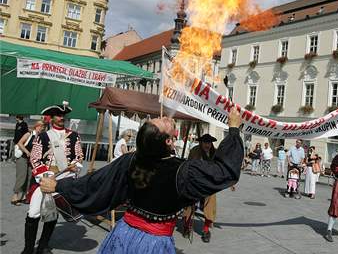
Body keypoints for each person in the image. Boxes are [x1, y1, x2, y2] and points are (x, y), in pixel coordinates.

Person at [39, 107, 244, 253]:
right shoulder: (183, 171)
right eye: (162, 122)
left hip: (123, 234)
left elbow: (93, 183)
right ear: (169, 141)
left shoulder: (131, 160)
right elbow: (224, 171)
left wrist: (59, 185)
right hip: (152, 245)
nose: (164, 117)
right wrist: (233, 130)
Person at [22, 103, 83, 254]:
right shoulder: (43, 136)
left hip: (63, 180)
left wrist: (75, 165)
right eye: (58, 115)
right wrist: (45, 176)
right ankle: (28, 249)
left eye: (63, 115)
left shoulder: (74, 136)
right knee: (33, 212)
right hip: (44, 178)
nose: (61, 117)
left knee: (52, 214)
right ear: (52, 118)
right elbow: (35, 159)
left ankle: (43, 247)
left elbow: (79, 156)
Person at [182, 133, 218, 243]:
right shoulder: (194, 151)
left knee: (210, 205)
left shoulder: (215, 153)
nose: (207, 145)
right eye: (205, 142)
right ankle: (187, 227)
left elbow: (219, 168)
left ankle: (206, 230)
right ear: (201, 142)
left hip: (209, 184)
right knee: (189, 205)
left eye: (209, 142)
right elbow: (189, 165)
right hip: (195, 182)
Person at [11, 121, 44, 205]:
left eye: (42, 127)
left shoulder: (39, 137)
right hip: (22, 157)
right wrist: (27, 152)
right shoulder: (28, 134)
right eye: (40, 126)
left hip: (31, 160)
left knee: (29, 178)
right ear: (36, 126)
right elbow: (20, 143)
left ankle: (25, 196)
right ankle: (15, 196)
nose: (42, 128)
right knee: (21, 177)